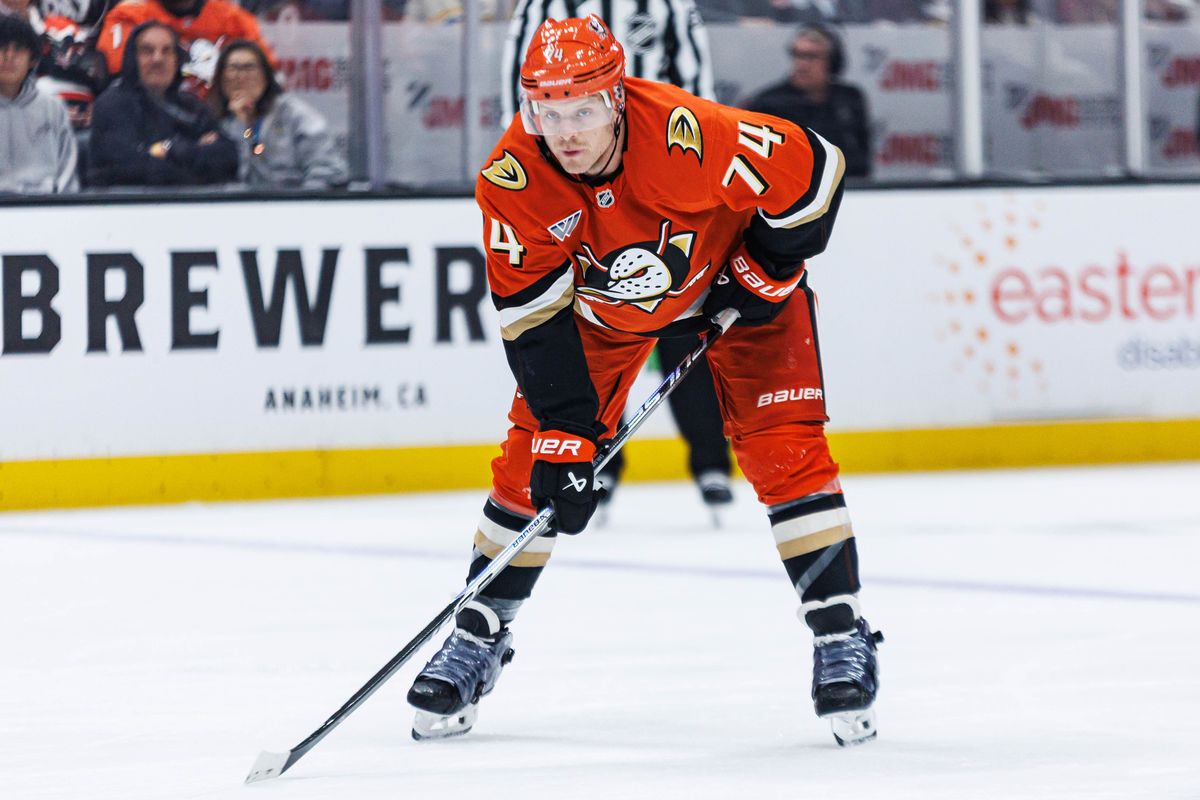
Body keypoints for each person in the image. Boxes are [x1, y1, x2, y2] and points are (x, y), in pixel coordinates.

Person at [405, 15, 882, 748]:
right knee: (530, 460)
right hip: (603, 320)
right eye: (548, 111)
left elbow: (817, 172)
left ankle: (838, 632)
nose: (565, 130)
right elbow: (532, 316)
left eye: (584, 109)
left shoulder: (687, 133)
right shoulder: (513, 178)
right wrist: (566, 428)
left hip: (735, 292)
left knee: (784, 449)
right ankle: (477, 632)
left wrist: (767, 267)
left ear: (618, 99)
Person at [503, 0, 734, 515]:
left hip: (663, 180)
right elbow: (517, 97)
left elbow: (701, 93)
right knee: (597, 322)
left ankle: (710, 460)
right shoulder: (541, 7)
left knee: (683, 319)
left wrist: (696, 180)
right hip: (576, 186)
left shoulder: (671, 5)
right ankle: (598, 459)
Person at [89, 20, 237, 186]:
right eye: (147, 51)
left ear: (177, 60)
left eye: (167, 51)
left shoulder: (193, 106)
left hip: (196, 205)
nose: (158, 59)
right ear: (132, 58)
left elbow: (228, 157)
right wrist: (195, 154)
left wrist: (170, 149)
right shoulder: (112, 105)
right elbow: (127, 169)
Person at [210, 39, 347, 189]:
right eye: (234, 69)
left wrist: (302, 204)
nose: (241, 77)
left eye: (249, 68)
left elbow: (328, 170)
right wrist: (243, 125)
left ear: (266, 75)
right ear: (221, 78)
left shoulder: (294, 115)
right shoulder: (214, 121)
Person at [743, 23, 871, 179]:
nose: (802, 64)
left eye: (812, 56)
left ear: (832, 62)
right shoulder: (769, 103)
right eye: (797, 55)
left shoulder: (849, 99)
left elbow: (861, 160)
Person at [96, 0, 278, 98]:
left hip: (220, 119)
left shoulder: (234, 19)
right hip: (151, 117)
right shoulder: (129, 14)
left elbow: (266, 79)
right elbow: (119, 78)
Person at [0, 14, 78, 193]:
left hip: (47, 208)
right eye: (2, 47)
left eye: (18, 49)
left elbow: (68, 172)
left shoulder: (53, 107)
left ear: (32, 60)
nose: (9, 56)